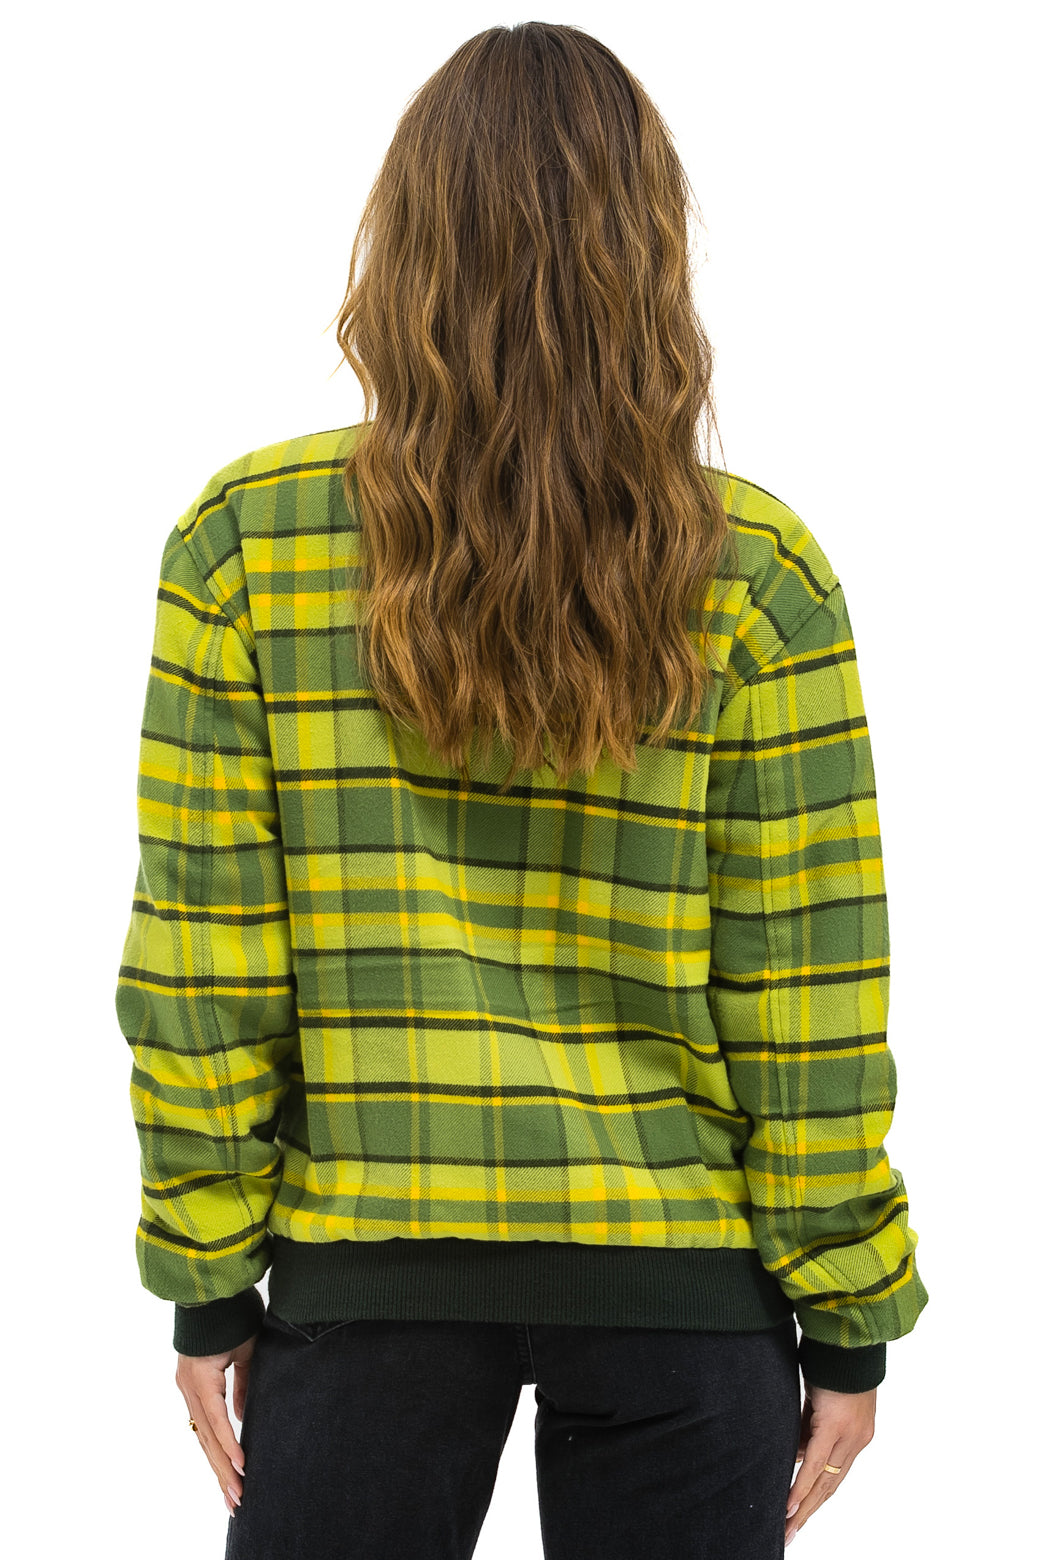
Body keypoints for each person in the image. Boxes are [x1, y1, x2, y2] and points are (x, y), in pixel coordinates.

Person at [115, 21, 928, 1560]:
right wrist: (849, 1311)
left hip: (367, 1277)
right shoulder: (759, 575)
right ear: (648, 253)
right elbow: (808, 993)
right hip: (684, 1283)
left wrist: (209, 1280)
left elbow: (204, 961)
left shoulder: (246, 547)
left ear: (404, 247)